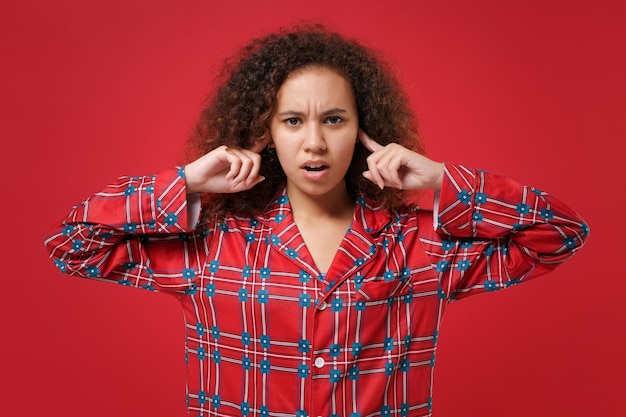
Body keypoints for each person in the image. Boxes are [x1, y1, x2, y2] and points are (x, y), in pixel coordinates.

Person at [44, 25, 589, 417]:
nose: (314, 142)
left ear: (363, 130)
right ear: (265, 132)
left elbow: (560, 235)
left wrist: (445, 180)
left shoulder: (417, 246)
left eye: (334, 119)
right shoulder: (210, 243)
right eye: (292, 120)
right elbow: (73, 244)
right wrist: (183, 182)